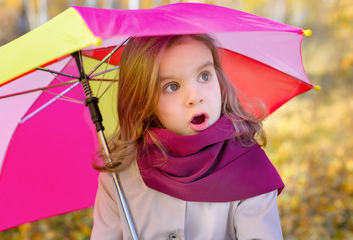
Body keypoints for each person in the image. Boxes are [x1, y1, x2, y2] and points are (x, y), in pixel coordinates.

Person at [91, 34, 285, 240]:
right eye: (172, 86)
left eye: (204, 75)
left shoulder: (249, 167)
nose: (195, 96)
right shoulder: (119, 177)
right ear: (143, 102)